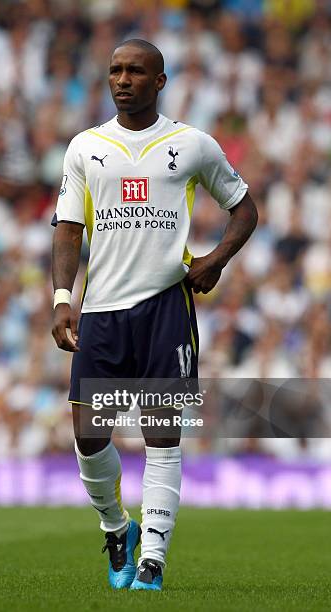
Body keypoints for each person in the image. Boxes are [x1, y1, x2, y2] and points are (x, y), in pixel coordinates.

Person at [51, 39, 258, 591]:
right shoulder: (85, 147)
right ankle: (117, 528)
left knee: (161, 435)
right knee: (88, 437)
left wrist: (214, 260)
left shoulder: (191, 144)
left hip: (166, 306)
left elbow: (244, 207)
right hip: (100, 312)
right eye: (116, 70)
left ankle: (153, 560)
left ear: (159, 81)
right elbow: (69, 229)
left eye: (136, 71)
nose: (123, 79)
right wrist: (61, 298)